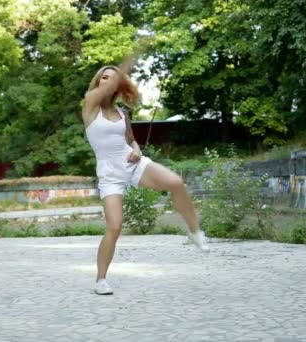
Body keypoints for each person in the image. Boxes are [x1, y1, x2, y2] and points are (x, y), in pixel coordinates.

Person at [82, 53, 210, 296]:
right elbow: (104, 89)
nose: (107, 82)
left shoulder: (122, 113)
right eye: (104, 78)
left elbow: (130, 140)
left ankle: (195, 232)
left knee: (176, 183)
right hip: (110, 174)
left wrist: (137, 151)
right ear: (98, 82)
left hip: (131, 164)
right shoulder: (90, 106)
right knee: (114, 227)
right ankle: (101, 280)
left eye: (113, 79)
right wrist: (128, 62)